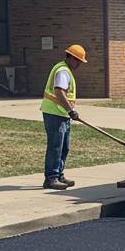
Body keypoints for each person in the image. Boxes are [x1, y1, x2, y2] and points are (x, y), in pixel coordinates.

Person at [41, 44, 86, 190]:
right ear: (71, 58)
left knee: (64, 147)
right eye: (78, 60)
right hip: (55, 114)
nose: (79, 64)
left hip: (61, 114)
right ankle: (51, 178)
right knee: (55, 147)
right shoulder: (63, 71)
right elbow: (59, 91)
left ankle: (59, 175)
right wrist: (70, 110)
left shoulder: (65, 70)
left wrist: (68, 111)